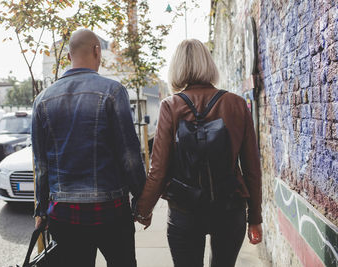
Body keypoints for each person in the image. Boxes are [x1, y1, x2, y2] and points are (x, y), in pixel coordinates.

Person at [135, 39, 263, 267]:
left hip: (185, 211)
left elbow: (159, 169)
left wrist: (144, 210)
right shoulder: (236, 103)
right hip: (229, 208)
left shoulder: (170, 106)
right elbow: (252, 168)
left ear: (177, 67)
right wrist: (255, 218)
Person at [32, 29, 146, 267]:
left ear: (69, 56)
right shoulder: (113, 91)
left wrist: (41, 211)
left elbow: (41, 165)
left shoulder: (42, 100)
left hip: (64, 214)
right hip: (111, 211)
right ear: (96, 51)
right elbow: (129, 155)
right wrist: (141, 199)